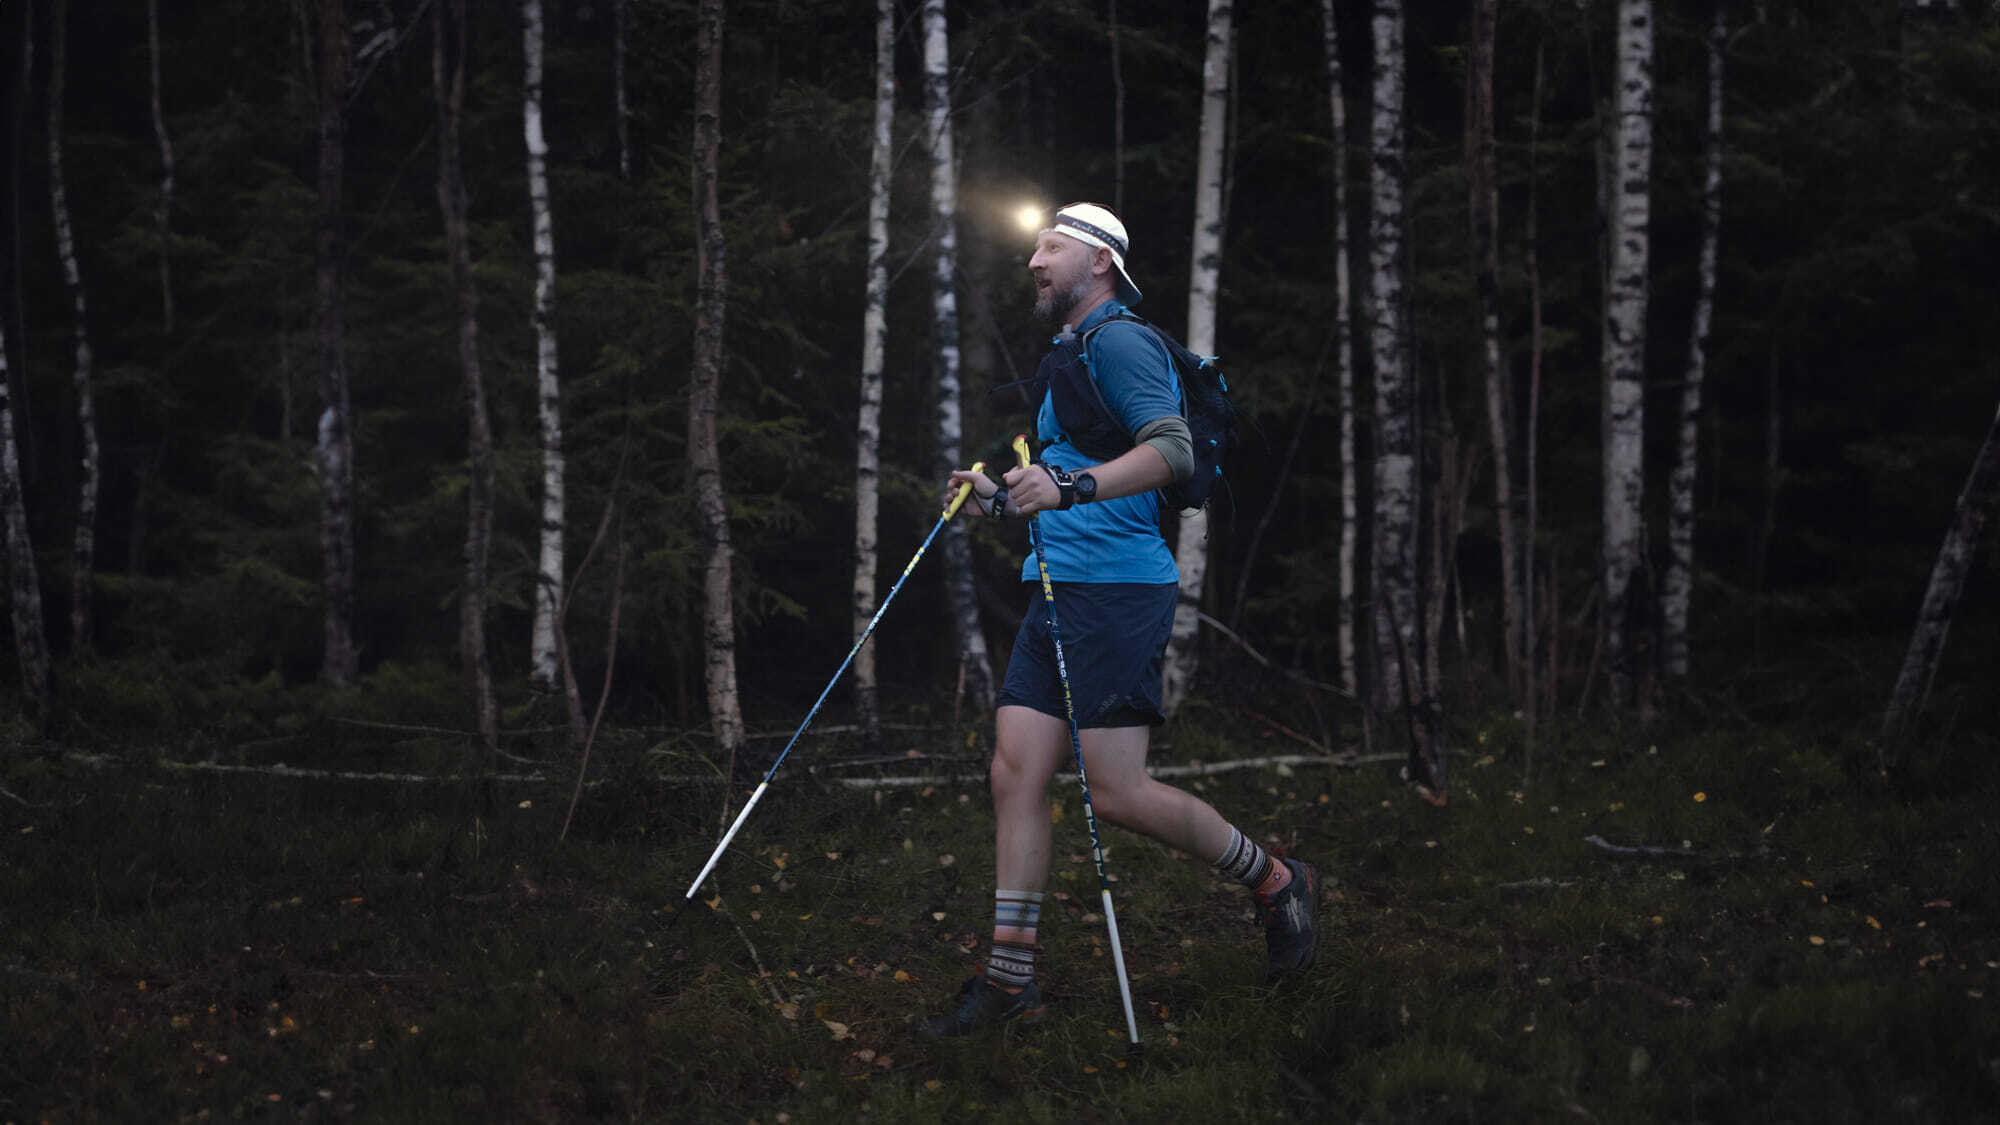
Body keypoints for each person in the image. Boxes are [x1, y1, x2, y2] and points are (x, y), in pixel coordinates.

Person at [917, 202, 1320, 1039]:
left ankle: (1277, 879)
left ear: (1098, 262)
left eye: (1051, 246)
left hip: (1115, 593)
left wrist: (1068, 489)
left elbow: (1170, 449)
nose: (1035, 259)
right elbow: (1070, 472)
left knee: (1118, 791)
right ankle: (1010, 976)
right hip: (1061, 585)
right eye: (1035, 245)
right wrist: (1006, 495)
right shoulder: (1071, 351)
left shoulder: (1122, 341)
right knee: (1014, 772)